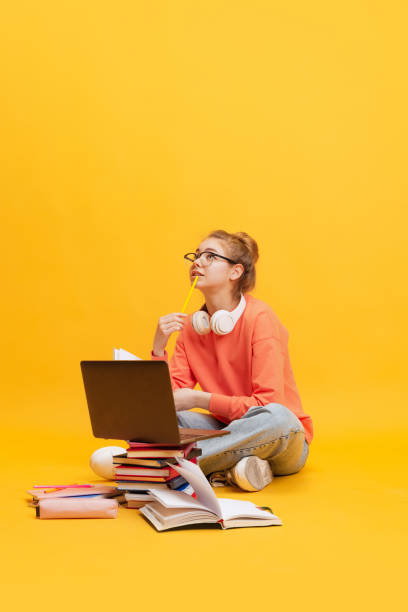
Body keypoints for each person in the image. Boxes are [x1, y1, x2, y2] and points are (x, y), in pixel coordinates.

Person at [151, 230, 313, 492]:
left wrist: (199, 400)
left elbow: (265, 403)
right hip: (228, 431)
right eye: (196, 255)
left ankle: (166, 467)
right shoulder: (192, 327)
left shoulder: (260, 318)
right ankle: (235, 469)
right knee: (164, 420)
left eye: (210, 256)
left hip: (277, 435)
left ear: (235, 272)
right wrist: (159, 348)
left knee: (279, 416)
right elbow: (170, 401)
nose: (197, 262)